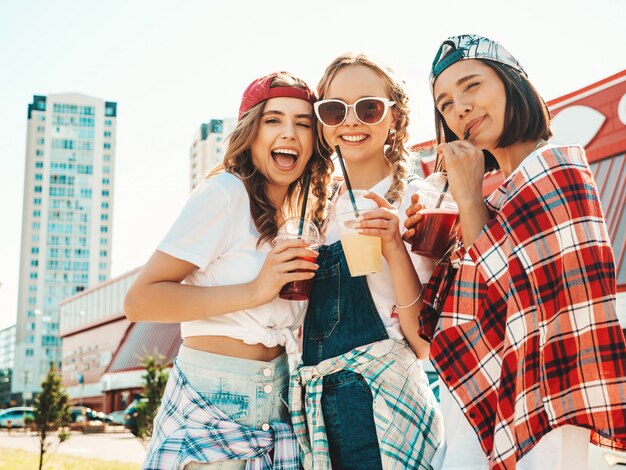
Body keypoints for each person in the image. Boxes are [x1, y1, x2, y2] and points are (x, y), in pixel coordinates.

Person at [404, 34, 626, 469]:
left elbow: (521, 303)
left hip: (543, 412)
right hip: (477, 417)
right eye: (445, 103)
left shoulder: (557, 170)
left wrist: (469, 197)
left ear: (512, 85)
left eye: (472, 86)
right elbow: (464, 315)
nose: (459, 109)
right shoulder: (498, 199)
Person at [124, 71, 334, 469]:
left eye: (303, 123)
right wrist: (256, 290)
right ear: (250, 133)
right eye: (273, 120)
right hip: (212, 401)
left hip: (278, 402)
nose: (289, 133)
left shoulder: (298, 219)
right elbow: (140, 300)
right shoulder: (225, 193)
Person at [289, 53, 443, 469]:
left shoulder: (418, 203)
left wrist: (394, 246)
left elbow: (423, 344)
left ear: (393, 119)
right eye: (335, 109)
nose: (351, 122)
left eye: (369, 108)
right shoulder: (313, 214)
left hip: (386, 407)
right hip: (318, 412)